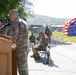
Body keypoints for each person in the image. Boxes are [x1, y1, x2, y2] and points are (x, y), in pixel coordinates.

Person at [9, 9, 29, 75]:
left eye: (10, 15)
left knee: (21, 65)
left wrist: (9, 42)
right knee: (24, 64)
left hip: (20, 47)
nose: (9, 17)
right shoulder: (23, 22)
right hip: (25, 46)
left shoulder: (16, 22)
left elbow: (15, 36)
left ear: (14, 15)